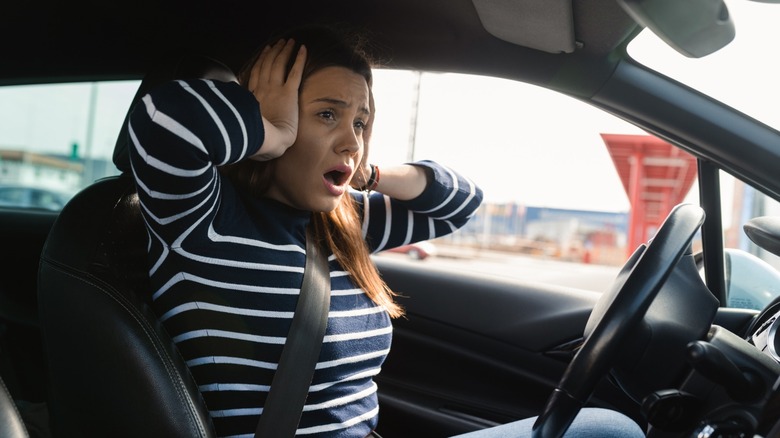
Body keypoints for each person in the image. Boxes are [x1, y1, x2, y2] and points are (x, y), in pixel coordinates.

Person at [128, 25, 643, 438]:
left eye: (361, 122)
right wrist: (270, 131)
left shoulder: (343, 221)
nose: (350, 141)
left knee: (606, 429)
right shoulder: (201, 220)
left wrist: (368, 170)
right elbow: (163, 120)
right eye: (327, 114)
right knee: (609, 430)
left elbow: (460, 202)